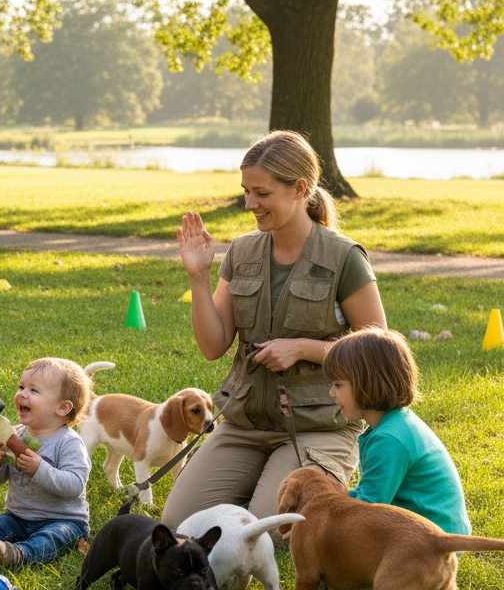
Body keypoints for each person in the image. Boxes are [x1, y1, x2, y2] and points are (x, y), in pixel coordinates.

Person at [159, 129, 387, 531]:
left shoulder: (343, 257)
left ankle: (296, 486)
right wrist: (198, 276)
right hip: (246, 423)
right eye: (246, 191)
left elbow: (377, 350)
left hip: (319, 426)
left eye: (261, 193)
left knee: (271, 529)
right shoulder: (242, 251)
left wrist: (302, 348)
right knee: (183, 523)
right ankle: (259, 487)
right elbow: (213, 346)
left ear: (299, 189)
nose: (250, 204)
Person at [0, 357, 92, 567]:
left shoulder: (69, 443)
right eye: (21, 387)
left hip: (63, 520)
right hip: (18, 516)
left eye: (34, 390)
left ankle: (20, 554)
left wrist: (39, 469)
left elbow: (74, 486)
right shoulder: (15, 435)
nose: (22, 394)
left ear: (62, 408)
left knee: (49, 538)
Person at [324, 326, 471, 535]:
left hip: (430, 539)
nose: (331, 393)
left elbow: (368, 508)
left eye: (338, 385)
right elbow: (371, 495)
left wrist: (325, 511)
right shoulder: (395, 423)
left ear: (368, 383)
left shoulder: (389, 439)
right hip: (432, 531)